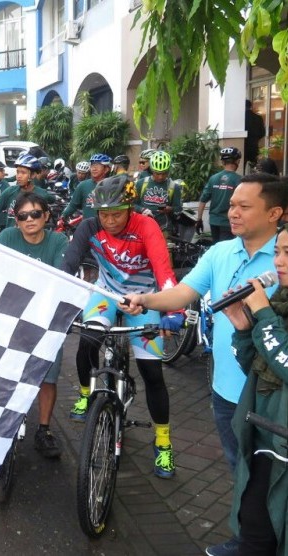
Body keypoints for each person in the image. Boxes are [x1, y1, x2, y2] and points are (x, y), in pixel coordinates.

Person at [119, 173, 285, 555]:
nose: (232, 212)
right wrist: (145, 300)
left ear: (275, 212)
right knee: (241, 471)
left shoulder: (284, 257)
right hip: (227, 391)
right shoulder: (220, 253)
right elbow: (182, 293)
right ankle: (249, 541)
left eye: (245, 206)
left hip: (274, 397)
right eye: (232, 205)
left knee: (277, 477)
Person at [61, 174, 180, 479]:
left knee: (152, 372)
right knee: (87, 339)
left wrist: (172, 308)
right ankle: (87, 393)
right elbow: (68, 264)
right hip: (107, 293)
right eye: (104, 214)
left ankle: (163, 443)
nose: (110, 221)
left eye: (117, 213)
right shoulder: (89, 227)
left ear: (130, 207)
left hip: (146, 298)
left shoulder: (146, 226)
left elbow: (164, 270)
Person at [222, 227, 288, 555]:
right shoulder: (280, 304)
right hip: (265, 435)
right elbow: (258, 367)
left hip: (282, 445)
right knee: (254, 529)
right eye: (278, 251)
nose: (278, 262)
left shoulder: (271, 310)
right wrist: (244, 328)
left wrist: (262, 314)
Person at [0, 191, 68, 458]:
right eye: (23, 216)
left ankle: (44, 429)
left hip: (47, 321)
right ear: (16, 220)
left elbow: (62, 277)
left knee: (47, 379)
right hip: (12, 317)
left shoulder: (59, 241)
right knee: (7, 374)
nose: (30, 220)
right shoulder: (6, 238)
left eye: (36, 214)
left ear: (46, 216)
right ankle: (5, 423)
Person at [0, 155, 55, 234]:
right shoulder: (10, 192)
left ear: (33, 175)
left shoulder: (42, 194)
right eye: (17, 172)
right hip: (10, 241)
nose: (18, 176)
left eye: (23, 172)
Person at [198, 147, 242, 242]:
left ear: (222, 162)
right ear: (238, 161)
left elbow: (203, 200)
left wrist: (199, 219)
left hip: (214, 222)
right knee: (226, 251)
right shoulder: (239, 180)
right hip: (228, 223)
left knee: (217, 247)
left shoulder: (213, 178)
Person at [134, 150, 183, 235]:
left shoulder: (174, 187)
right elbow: (131, 205)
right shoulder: (141, 184)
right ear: (152, 170)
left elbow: (178, 209)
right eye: (157, 173)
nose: (160, 177)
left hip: (164, 229)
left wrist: (170, 209)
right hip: (143, 228)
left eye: (164, 173)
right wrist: (142, 209)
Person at [59, 154, 110, 224]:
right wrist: (63, 216)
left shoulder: (112, 185)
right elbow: (73, 205)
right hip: (88, 227)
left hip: (107, 227)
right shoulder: (83, 185)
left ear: (106, 169)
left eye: (97, 166)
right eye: (92, 166)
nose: (94, 169)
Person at [245, 100, 267, 172]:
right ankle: (255, 180)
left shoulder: (240, 117)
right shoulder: (258, 118)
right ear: (251, 106)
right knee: (255, 167)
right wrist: (255, 139)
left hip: (244, 145)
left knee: (242, 166)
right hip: (254, 146)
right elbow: (262, 133)